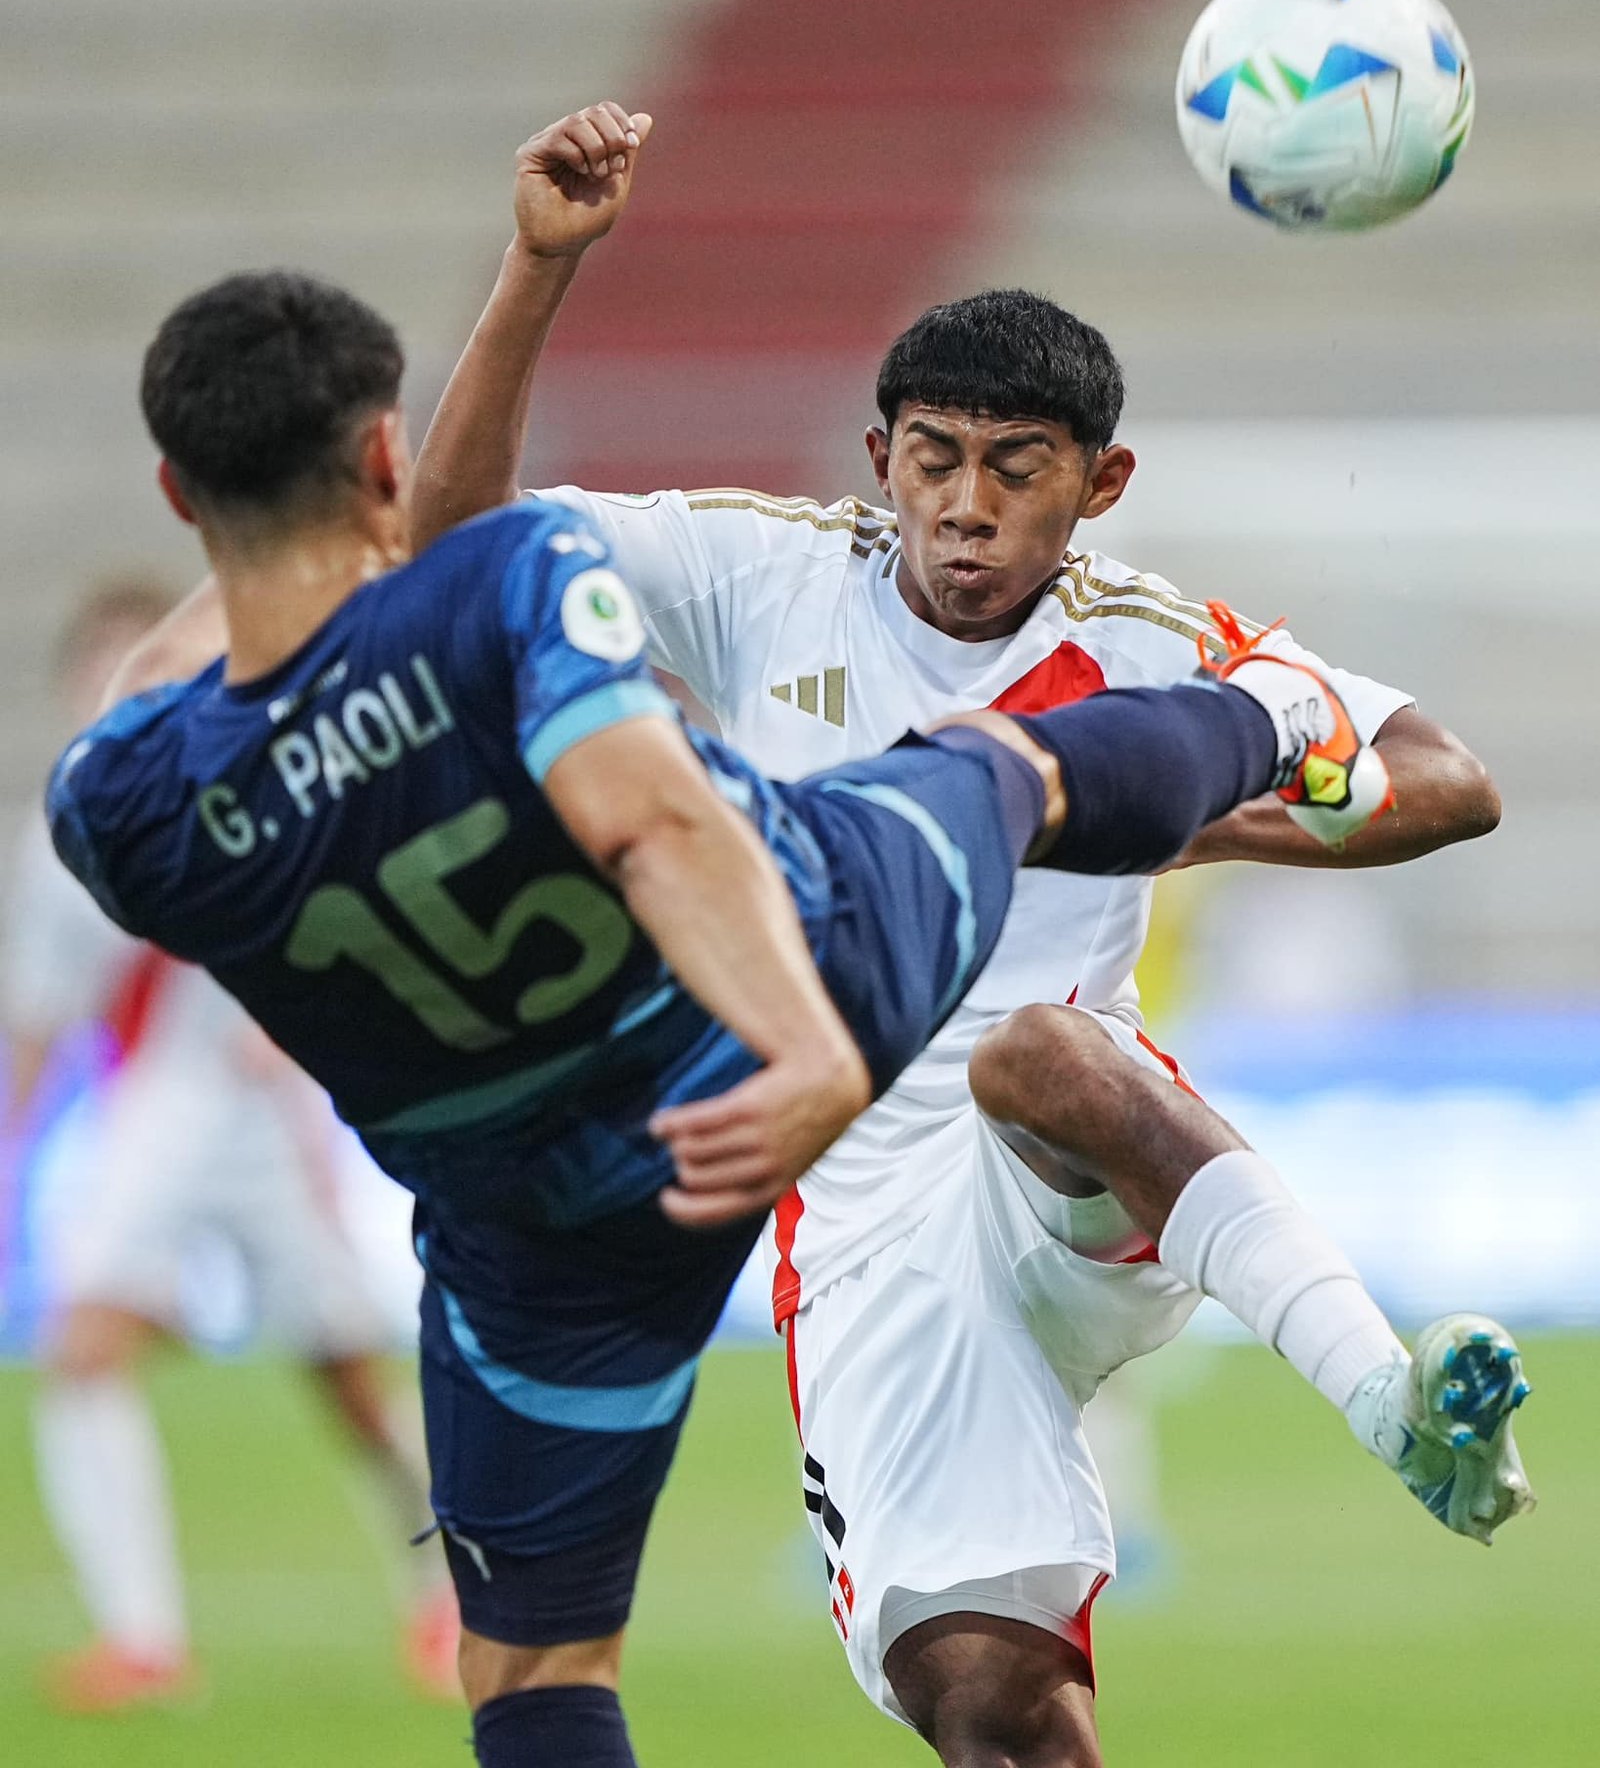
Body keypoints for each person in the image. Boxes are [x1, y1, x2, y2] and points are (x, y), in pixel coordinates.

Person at [43, 113, 1394, 1768]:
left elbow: (163, 701)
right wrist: (815, 1046)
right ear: (387, 460)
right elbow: (651, 818)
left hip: (539, 1221)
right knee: (1003, 764)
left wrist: (262, 559)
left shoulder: (117, 802)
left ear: (179, 491)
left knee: (538, 1681)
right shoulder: (514, 583)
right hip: (763, 1032)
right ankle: (1267, 722)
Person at [413, 108, 1536, 1766]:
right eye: (934, 457)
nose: (966, 507)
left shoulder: (1156, 642)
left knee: (1041, 1050)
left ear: (1100, 483)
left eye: (1018, 470)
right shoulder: (759, 576)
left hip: (1071, 1168)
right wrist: (536, 265)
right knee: (996, 1711)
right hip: (866, 1227)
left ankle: (1393, 1405)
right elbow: (445, 560)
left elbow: (1448, 780)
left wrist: (1184, 808)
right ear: (881, 460)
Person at [1, 580, 460, 1712]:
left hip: (265, 1116)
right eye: (100, 667)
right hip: (151, 1111)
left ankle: (450, 1596)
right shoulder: (59, 831)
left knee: (349, 1381)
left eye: (140, 662)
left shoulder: (276, 785)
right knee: (80, 1347)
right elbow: (41, 1012)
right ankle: (143, 1638)